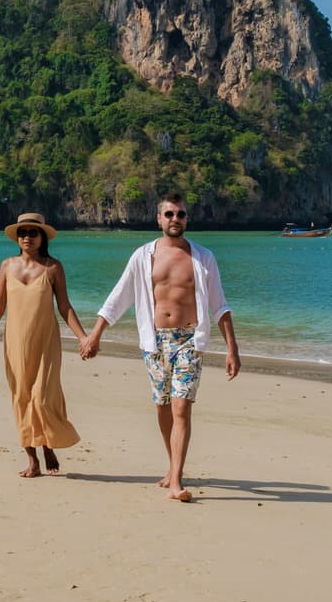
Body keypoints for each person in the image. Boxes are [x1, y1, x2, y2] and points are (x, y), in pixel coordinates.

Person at [82, 191, 240, 503]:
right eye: (169, 214)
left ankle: (176, 481)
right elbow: (119, 296)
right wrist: (95, 334)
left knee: (181, 407)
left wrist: (232, 349)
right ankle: (172, 467)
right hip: (154, 342)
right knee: (163, 407)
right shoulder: (143, 257)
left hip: (189, 341)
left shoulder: (203, 258)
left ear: (186, 219)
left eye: (180, 214)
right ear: (159, 219)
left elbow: (219, 305)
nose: (175, 220)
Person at [0, 212, 87, 477]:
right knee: (21, 398)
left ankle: (48, 443)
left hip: (46, 341)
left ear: (42, 237)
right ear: (17, 237)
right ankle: (32, 459)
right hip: (15, 342)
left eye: (33, 232)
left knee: (43, 397)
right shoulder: (7, 266)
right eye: (23, 232)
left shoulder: (53, 268)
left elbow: (64, 307)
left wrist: (84, 337)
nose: (27, 237)